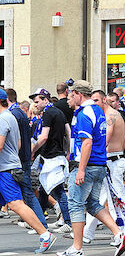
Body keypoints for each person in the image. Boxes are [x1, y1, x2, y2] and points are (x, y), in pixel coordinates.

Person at [57, 80, 125, 256]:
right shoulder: (98, 110)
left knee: (75, 204)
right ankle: (118, 234)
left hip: (86, 165)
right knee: (93, 204)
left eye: (72, 95)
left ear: (79, 95)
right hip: (99, 165)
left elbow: (87, 142)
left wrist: (80, 169)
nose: (69, 98)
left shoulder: (84, 113)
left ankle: (77, 247)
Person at [0, 88, 56, 253]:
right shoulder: (11, 117)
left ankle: (45, 234)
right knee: (17, 202)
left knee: (16, 203)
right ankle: (44, 233)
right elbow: (17, 145)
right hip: (11, 165)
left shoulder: (2, 119)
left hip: (5, 169)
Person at [29, 88, 72, 233]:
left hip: (51, 157)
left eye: (37, 102)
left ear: (45, 99)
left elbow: (44, 136)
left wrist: (32, 150)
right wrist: (67, 151)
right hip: (56, 155)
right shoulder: (59, 112)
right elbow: (68, 132)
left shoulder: (48, 113)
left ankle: (68, 222)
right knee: (43, 191)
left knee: (58, 191)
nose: (35, 105)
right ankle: (40, 224)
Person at [6, 88, 47, 230]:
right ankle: (39, 223)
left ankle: (41, 225)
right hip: (23, 157)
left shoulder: (12, 115)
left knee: (27, 193)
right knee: (25, 193)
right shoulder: (19, 114)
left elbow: (14, 141)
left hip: (18, 159)